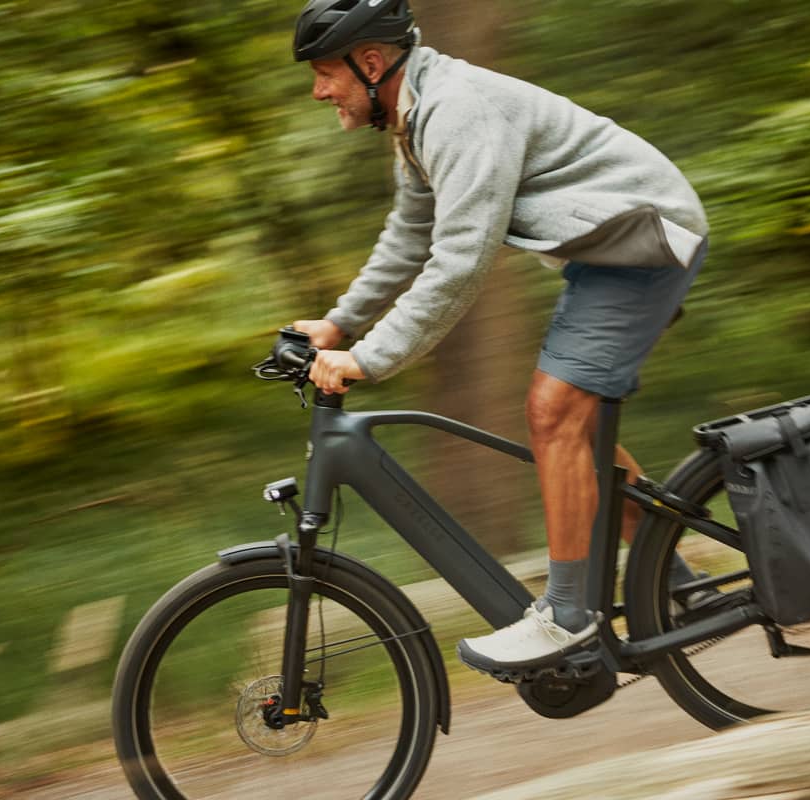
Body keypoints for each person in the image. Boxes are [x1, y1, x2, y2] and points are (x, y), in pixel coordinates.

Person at [290, 0, 708, 678]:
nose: (318, 91)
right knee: (581, 426)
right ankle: (680, 586)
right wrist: (340, 322)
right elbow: (411, 235)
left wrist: (369, 358)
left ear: (370, 64)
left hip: (645, 241)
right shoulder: (416, 116)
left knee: (553, 413)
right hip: (609, 250)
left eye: (324, 74)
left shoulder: (457, 110)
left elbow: (459, 261)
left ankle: (569, 616)